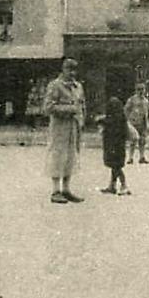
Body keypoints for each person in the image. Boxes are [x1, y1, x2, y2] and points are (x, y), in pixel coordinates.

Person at [44, 58, 86, 204]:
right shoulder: (55, 85)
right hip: (59, 127)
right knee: (58, 155)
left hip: (74, 126)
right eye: (69, 69)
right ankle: (55, 191)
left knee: (71, 156)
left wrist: (81, 120)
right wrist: (69, 109)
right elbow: (48, 107)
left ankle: (66, 189)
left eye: (74, 69)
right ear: (63, 69)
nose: (72, 72)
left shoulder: (78, 87)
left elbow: (81, 105)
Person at [97, 96, 130, 195]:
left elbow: (108, 126)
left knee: (116, 166)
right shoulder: (121, 117)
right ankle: (112, 185)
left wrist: (101, 121)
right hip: (119, 146)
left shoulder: (112, 119)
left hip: (113, 146)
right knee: (115, 166)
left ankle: (124, 185)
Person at [124, 82, 149, 164]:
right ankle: (130, 158)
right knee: (133, 140)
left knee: (142, 141)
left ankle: (142, 157)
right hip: (133, 123)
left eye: (142, 89)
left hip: (143, 123)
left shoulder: (146, 101)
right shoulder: (132, 100)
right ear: (136, 90)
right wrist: (127, 120)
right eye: (139, 89)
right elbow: (126, 110)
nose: (141, 91)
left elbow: (148, 112)